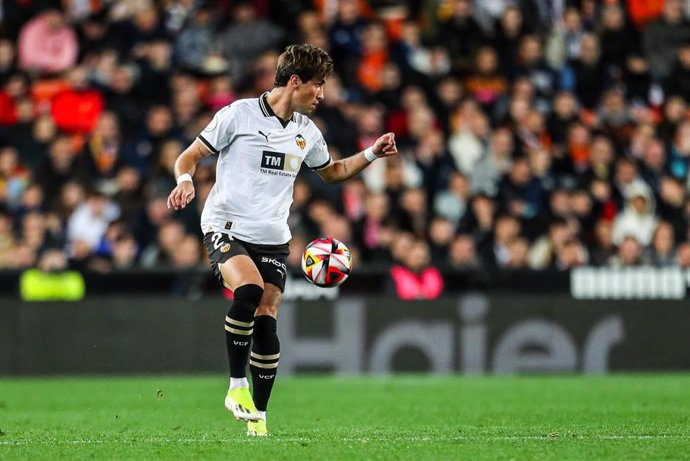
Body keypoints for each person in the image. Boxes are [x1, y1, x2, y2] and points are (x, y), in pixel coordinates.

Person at [166, 44, 398, 436]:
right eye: (318, 85)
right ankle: (236, 387)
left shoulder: (306, 132)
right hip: (226, 226)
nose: (322, 94)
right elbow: (187, 157)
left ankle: (259, 416)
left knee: (267, 318)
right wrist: (185, 182)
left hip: (272, 238)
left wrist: (372, 153)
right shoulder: (237, 115)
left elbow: (334, 171)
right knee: (250, 290)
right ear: (295, 82)